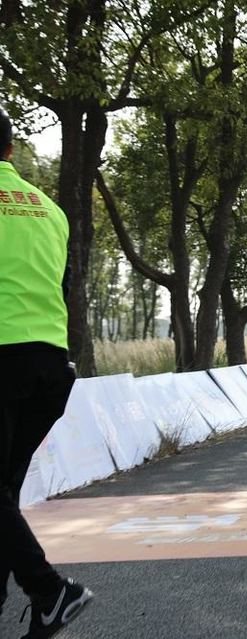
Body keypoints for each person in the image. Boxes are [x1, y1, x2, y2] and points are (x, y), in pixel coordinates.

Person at [0, 108, 94, 637]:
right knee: (4, 494)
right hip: (49, 364)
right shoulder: (48, 208)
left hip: (3, 353)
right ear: (11, 149)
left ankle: (51, 589)